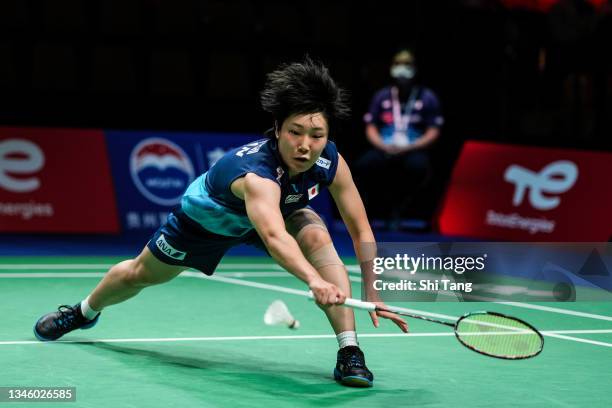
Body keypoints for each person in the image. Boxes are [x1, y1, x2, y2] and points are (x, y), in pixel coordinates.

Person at [33, 58, 408, 388]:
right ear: (278, 129)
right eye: (295, 132)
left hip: (284, 209)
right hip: (209, 221)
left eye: (316, 135)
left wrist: (373, 290)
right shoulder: (256, 176)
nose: (305, 145)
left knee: (314, 231)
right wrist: (314, 281)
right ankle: (83, 313)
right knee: (140, 274)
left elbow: (361, 229)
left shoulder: (329, 161)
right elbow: (274, 237)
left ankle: (350, 350)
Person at [355, 48, 444, 228]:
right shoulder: (382, 95)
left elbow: (434, 130)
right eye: (398, 64)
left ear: (415, 68)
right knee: (363, 165)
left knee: (418, 167)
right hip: (385, 147)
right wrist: (381, 145)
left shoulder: (427, 97)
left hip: (413, 149)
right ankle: (368, 212)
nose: (402, 68)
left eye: (407, 64)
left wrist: (411, 147)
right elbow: (371, 126)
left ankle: (399, 211)